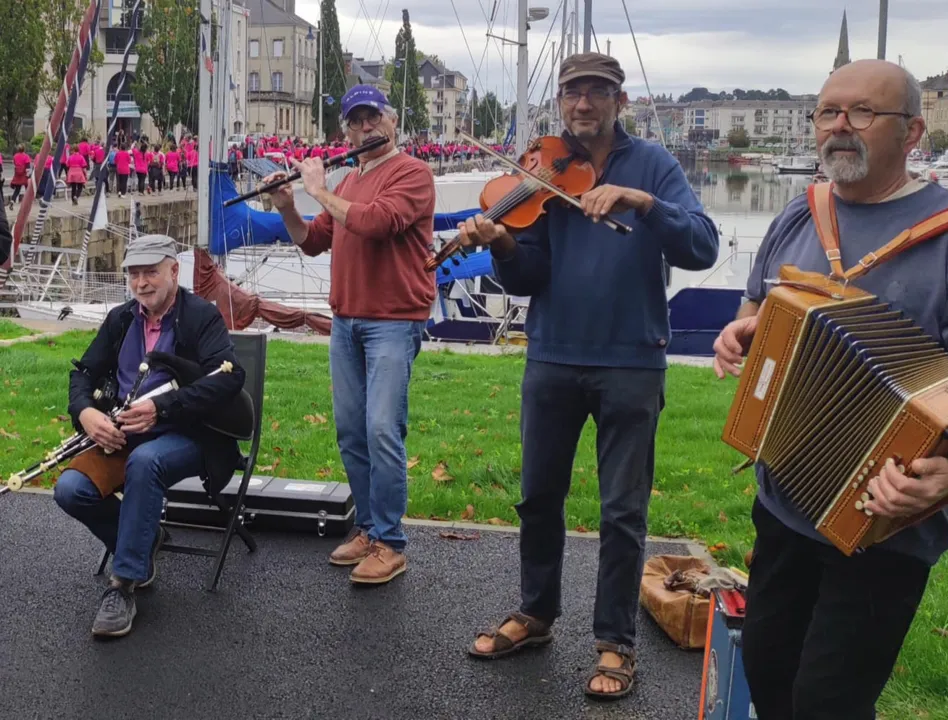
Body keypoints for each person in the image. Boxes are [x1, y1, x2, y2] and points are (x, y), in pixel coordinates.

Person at [457, 52, 720, 699]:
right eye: (572, 92)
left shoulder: (653, 165)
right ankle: (536, 613)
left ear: (618, 101)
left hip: (632, 359)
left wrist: (642, 201)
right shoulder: (542, 170)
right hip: (553, 354)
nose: (582, 104)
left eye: (597, 92)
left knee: (622, 511)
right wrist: (502, 242)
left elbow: (702, 244)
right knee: (538, 496)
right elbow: (528, 277)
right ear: (561, 100)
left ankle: (614, 642)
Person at [712, 59, 948, 720]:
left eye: (862, 112)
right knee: (767, 671)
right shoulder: (802, 213)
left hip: (887, 523)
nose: (839, 126)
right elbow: (756, 310)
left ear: (912, 133)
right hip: (785, 501)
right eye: (828, 112)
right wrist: (740, 335)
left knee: (829, 702)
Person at [263, 85, 436, 585]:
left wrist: (319, 191)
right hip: (347, 321)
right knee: (352, 431)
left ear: (393, 120)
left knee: (382, 429)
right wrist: (288, 205)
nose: (366, 127)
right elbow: (312, 240)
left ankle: (391, 542)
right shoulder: (349, 180)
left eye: (373, 117)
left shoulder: (412, 173)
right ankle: (368, 527)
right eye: (356, 121)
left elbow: (379, 223)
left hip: (393, 320)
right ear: (347, 131)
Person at [53, 235, 246, 638]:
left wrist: (163, 408)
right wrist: (85, 412)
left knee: (146, 463)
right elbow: (83, 373)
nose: (141, 283)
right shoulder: (122, 318)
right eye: (134, 274)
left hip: (191, 434)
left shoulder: (201, 317)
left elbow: (228, 378)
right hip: (126, 435)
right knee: (70, 490)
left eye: (151, 273)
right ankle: (145, 538)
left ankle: (124, 584)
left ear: (174, 271)